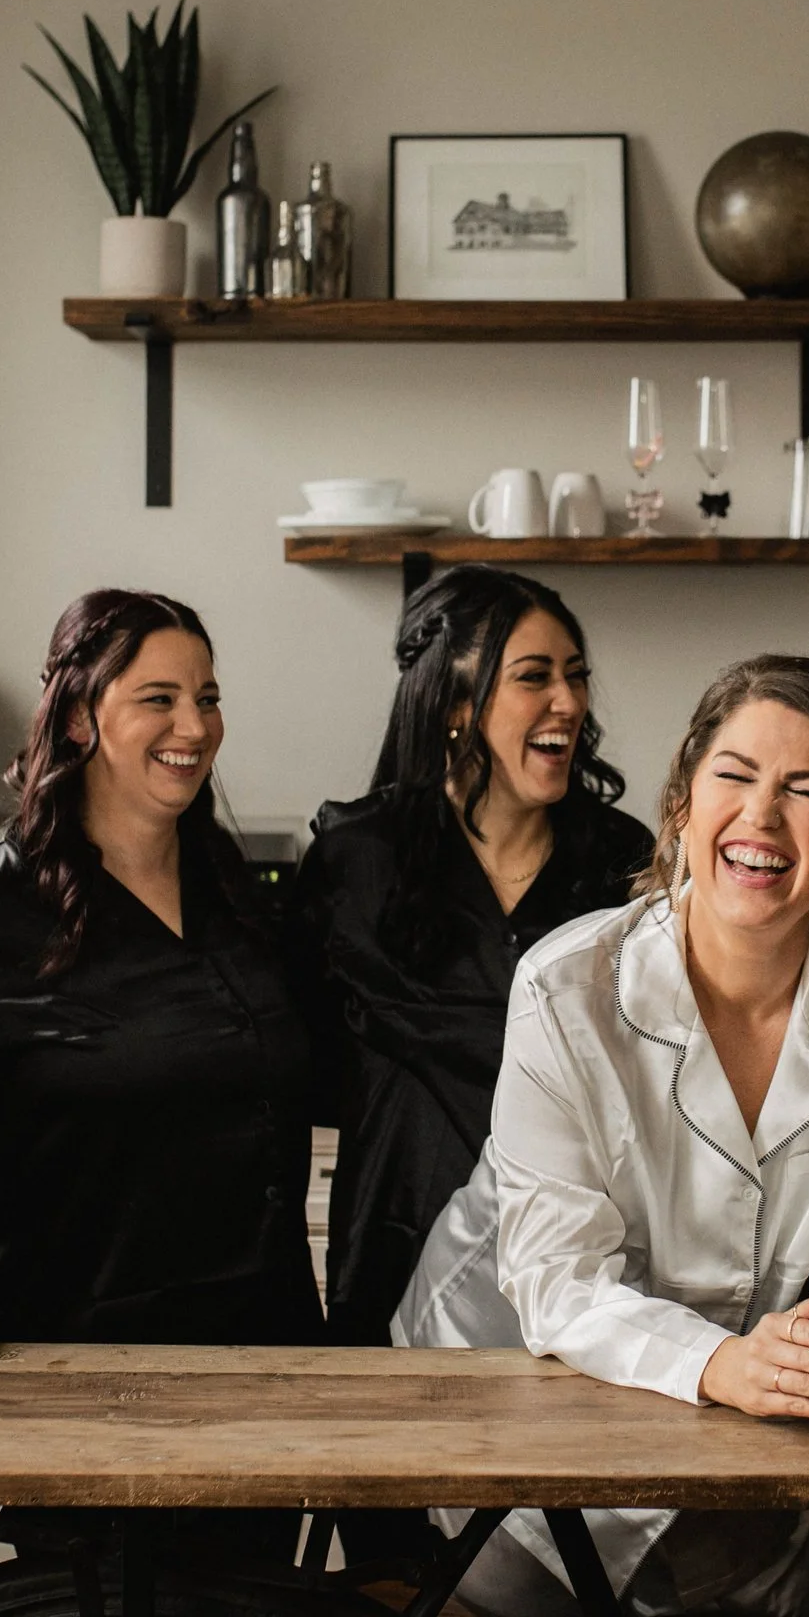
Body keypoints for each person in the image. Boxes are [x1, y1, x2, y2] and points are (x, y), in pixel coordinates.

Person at [395, 654, 809, 1617]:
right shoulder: (565, 985)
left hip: (762, 1419)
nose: (761, 817)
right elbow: (557, 1278)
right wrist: (725, 1365)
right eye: (735, 775)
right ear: (681, 800)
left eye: (807, 790)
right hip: (516, 1394)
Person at [0, 590, 323, 1348]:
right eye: (158, 699)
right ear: (77, 717)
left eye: (207, 699)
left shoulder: (236, 896)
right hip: (75, 1362)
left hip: (272, 1347)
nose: (194, 727)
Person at [294, 566, 653, 1348]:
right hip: (394, 1256)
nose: (569, 701)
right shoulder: (357, 860)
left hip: (575, 1275)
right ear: (455, 705)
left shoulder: (621, 866)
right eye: (534, 676)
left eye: (575, 675)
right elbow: (306, 1067)